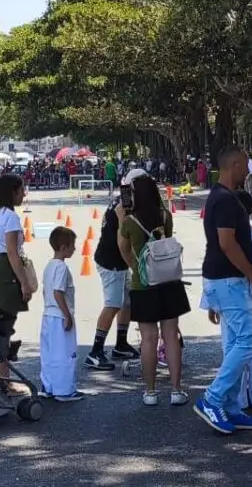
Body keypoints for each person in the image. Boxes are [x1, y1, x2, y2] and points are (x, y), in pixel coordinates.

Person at [192, 146, 252, 434]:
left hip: (225, 281)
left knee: (239, 342)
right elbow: (226, 243)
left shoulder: (224, 197)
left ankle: (231, 407)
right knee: (250, 339)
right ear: (234, 165)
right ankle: (212, 398)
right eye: (246, 164)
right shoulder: (224, 199)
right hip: (227, 280)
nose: (249, 170)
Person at [201, 190, 252, 414]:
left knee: (233, 349)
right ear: (251, 210)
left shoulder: (225, 238)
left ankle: (237, 400)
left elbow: (213, 267)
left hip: (231, 299)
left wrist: (211, 303)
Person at [118, 173, 191, 407]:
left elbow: (124, 249)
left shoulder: (129, 222)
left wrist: (137, 268)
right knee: (171, 336)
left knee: (148, 339)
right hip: (169, 281)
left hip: (144, 284)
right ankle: (177, 390)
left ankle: (150, 391)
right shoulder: (165, 216)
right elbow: (166, 241)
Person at [84, 169, 142, 371]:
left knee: (126, 301)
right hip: (112, 260)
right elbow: (123, 239)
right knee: (113, 304)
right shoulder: (124, 205)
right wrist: (135, 264)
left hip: (118, 260)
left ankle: (121, 343)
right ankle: (95, 351)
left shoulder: (126, 200)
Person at [0, 174, 35, 393]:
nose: (24, 194)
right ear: (12, 192)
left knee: (2, 324)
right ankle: (2, 379)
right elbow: (13, 253)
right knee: (4, 327)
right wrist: (24, 282)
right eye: (21, 190)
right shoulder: (10, 217)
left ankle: (0, 376)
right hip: (7, 269)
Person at [40, 226, 84, 402]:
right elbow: (58, 292)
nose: (75, 249)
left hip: (47, 315)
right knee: (65, 353)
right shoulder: (61, 268)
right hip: (59, 315)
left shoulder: (49, 266)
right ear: (64, 247)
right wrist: (67, 315)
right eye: (72, 246)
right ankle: (64, 390)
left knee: (49, 353)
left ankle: (48, 386)